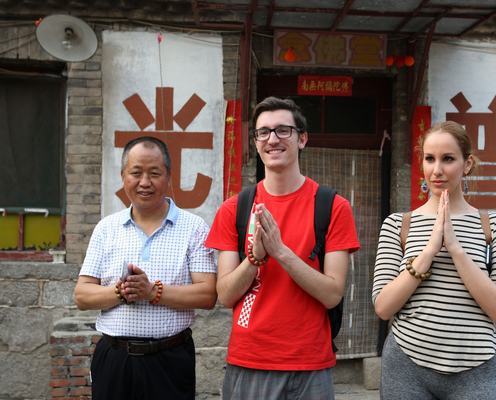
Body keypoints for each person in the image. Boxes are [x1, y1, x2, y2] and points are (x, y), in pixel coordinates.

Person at [205, 96, 360, 400]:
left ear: (302, 139)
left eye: (282, 131)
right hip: (250, 359)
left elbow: (332, 294)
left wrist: (281, 252)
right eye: (263, 132)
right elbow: (225, 295)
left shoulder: (332, 207)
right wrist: (255, 259)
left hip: (310, 363)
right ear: (255, 142)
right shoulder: (235, 209)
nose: (272, 139)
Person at [372, 121, 496, 400]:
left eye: (448, 159)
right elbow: (383, 306)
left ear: (467, 164)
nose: (437, 170)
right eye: (430, 159)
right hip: (407, 363)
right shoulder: (398, 225)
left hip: (476, 369)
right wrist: (428, 252)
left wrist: (455, 248)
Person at [73, 136, 217, 400]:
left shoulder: (194, 227)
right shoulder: (107, 228)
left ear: (169, 176)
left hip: (169, 360)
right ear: (123, 176)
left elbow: (207, 295)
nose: (145, 182)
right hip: (114, 359)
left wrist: (152, 292)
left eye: (154, 173)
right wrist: (121, 291)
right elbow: (82, 295)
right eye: (136, 173)